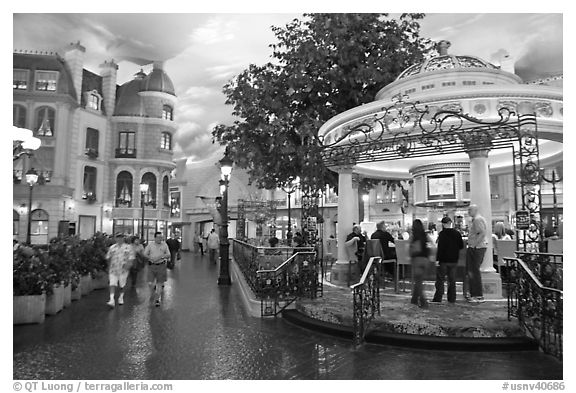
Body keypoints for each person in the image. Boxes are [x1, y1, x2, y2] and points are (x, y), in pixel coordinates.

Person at [432, 217, 464, 303]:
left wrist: (437, 260)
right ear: (451, 223)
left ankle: (438, 298)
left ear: (443, 224)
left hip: (443, 260)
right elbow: (461, 246)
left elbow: (440, 248)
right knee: (452, 280)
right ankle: (452, 298)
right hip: (454, 260)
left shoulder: (442, 234)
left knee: (440, 280)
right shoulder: (457, 233)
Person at [105, 233, 135, 308]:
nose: (119, 239)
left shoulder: (128, 247)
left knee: (122, 285)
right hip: (113, 269)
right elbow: (108, 257)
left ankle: (121, 297)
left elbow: (131, 258)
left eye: (121, 237)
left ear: (123, 238)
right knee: (112, 284)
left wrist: (128, 265)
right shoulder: (112, 247)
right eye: (118, 237)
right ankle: (111, 299)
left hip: (123, 270)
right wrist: (109, 266)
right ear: (115, 238)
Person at [466, 204, 487, 303]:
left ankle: (477, 295)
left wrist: (473, 245)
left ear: (475, 210)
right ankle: (475, 294)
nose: (468, 211)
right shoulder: (476, 219)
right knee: (473, 271)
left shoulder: (477, 219)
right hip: (477, 247)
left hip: (477, 248)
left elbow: (482, 233)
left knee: (474, 271)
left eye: (470, 210)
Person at [144, 231, 171, 306]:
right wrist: (150, 258)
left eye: (161, 237)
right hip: (151, 266)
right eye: (158, 237)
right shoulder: (150, 245)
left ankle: (157, 299)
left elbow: (168, 254)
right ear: (155, 238)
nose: (160, 239)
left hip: (161, 266)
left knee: (160, 283)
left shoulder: (164, 245)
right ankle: (154, 292)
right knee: (150, 283)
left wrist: (161, 257)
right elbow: (145, 254)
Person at [408, 219, 431, 308]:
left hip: (417, 260)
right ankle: (414, 299)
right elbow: (431, 245)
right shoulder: (425, 235)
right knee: (419, 280)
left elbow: (409, 247)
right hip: (425, 260)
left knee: (418, 282)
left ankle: (423, 301)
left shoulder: (413, 236)